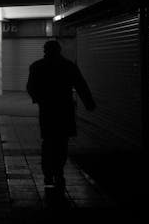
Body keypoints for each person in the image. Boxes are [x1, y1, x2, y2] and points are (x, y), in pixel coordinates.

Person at [27, 40, 96, 192]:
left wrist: (39, 99)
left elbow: (31, 87)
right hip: (65, 108)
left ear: (45, 50)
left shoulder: (37, 66)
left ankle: (48, 174)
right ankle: (59, 172)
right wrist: (88, 103)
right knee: (62, 143)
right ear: (59, 50)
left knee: (48, 141)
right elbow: (80, 84)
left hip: (48, 109)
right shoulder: (68, 66)